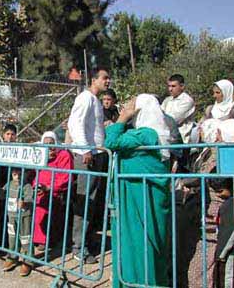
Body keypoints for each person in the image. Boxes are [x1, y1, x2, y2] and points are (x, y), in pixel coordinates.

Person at [104, 95, 171, 287]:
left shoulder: (147, 134)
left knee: (141, 246)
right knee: (137, 245)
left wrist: (122, 118)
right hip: (136, 195)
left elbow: (111, 141)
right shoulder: (149, 134)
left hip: (142, 197)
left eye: (134, 109)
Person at [67, 69, 109, 264]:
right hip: (88, 156)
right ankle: (78, 246)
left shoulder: (96, 100)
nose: (107, 81)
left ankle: (86, 239)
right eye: (104, 78)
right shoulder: (85, 98)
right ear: (94, 80)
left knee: (92, 200)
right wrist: (85, 150)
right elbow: (76, 124)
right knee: (84, 201)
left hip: (97, 154)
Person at [33, 131, 73, 250]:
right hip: (39, 188)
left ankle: (46, 240)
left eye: (51, 143)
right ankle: (37, 238)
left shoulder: (63, 155)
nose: (49, 146)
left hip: (55, 190)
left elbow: (65, 177)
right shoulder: (40, 155)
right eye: (46, 144)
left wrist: (49, 187)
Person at [0, 168, 34, 277]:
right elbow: (2, 196)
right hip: (11, 216)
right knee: (12, 237)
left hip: (24, 216)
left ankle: (28, 261)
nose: (18, 177)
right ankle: (12, 257)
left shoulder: (27, 186)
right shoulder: (9, 184)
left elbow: (31, 200)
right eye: (15, 174)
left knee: (25, 239)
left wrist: (24, 203)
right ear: (11, 174)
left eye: (20, 174)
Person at [161, 74, 195, 143]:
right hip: (167, 136)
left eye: (173, 86)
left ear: (182, 86)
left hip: (181, 140)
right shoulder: (167, 100)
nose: (170, 89)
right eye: (169, 86)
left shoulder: (187, 101)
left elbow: (173, 120)